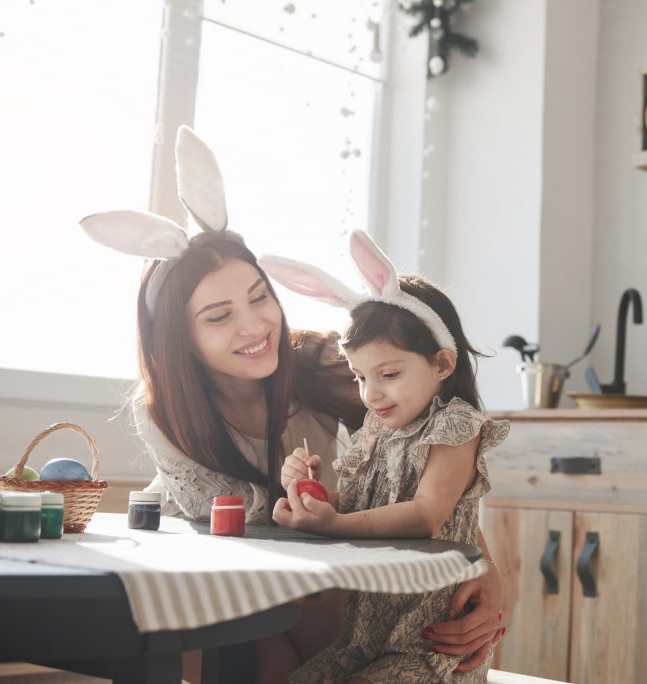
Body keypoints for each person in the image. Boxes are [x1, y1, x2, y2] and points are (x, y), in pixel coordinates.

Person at [80, 126, 505, 683]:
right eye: (219, 315)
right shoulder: (162, 414)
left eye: (260, 297)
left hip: (329, 594)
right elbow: (241, 527)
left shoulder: (336, 370)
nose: (255, 325)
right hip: (228, 584)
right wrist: (309, 501)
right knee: (201, 623)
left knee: (297, 616)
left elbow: (439, 470)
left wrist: (487, 572)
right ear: (179, 340)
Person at [263, 230, 509, 683]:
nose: (370, 393)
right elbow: (363, 509)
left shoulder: (456, 427)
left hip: (428, 648)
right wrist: (315, 496)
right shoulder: (378, 431)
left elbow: (424, 514)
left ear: (442, 364)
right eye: (359, 377)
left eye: (389, 374)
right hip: (363, 641)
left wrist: (333, 525)